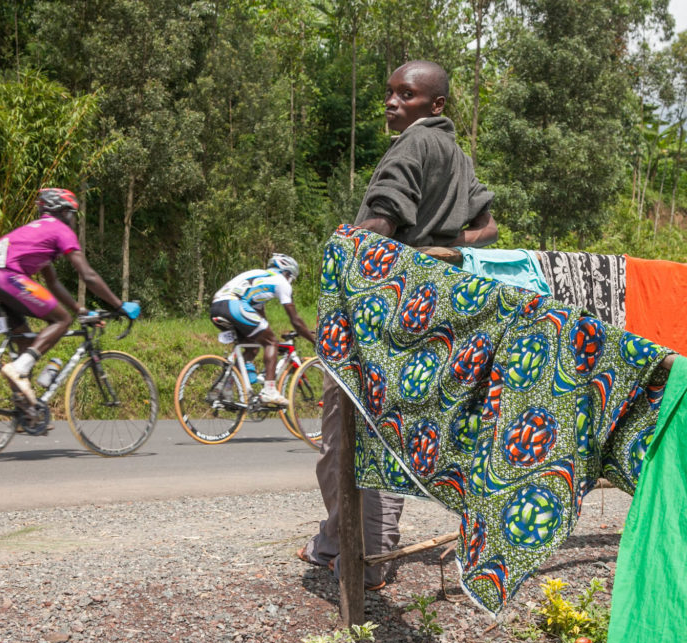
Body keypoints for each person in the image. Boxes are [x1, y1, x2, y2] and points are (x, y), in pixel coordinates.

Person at [298, 60, 497, 589]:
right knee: (382, 427)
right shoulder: (456, 154)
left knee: (351, 433)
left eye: (405, 95)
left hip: (379, 310)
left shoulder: (412, 147)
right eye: (388, 93)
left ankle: (372, 556)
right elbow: (489, 226)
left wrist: (349, 250)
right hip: (425, 312)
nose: (391, 102)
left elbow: (379, 227)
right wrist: (448, 248)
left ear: (435, 105)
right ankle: (334, 542)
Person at [0, 188, 140, 404]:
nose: (73, 219)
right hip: (4, 277)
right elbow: (87, 274)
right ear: (63, 212)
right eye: (72, 213)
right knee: (62, 320)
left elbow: (53, 283)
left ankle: (23, 413)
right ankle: (19, 368)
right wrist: (119, 304)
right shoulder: (60, 230)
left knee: (26, 343)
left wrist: (79, 309)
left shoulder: (38, 232)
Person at [209, 254, 317, 407]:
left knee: (251, 348)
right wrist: (314, 341)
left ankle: (225, 387)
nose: (290, 281)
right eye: (291, 277)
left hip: (217, 306)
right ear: (287, 273)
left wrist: (271, 344)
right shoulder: (281, 282)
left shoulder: (261, 277)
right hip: (234, 304)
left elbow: (261, 321)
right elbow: (295, 320)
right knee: (270, 342)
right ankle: (269, 391)